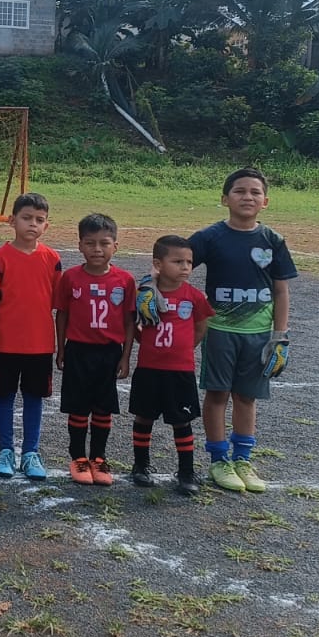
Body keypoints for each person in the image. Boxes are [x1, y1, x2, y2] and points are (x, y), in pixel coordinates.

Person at [187, 168, 297, 494]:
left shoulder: (273, 241)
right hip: (220, 331)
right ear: (225, 199)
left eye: (254, 192)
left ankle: (243, 460)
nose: (247, 197)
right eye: (239, 191)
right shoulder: (210, 237)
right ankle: (219, 460)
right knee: (217, 394)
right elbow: (175, 261)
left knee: (247, 397)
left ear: (265, 201)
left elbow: (281, 291)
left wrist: (279, 336)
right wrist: (150, 283)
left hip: (258, 335)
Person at [54, 213, 136, 485]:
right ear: (80, 246)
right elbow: (62, 314)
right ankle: (78, 457)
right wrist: (61, 348)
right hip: (78, 351)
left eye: (104, 243)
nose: (97, 249)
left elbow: (129, 321)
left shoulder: (125, 280)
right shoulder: (71, 277)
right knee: (78, 408)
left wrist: (125, 356)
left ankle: (98, 458)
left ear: (115, 246)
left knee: (103, 408)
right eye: (90, 243)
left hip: (109, 353)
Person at [128, 236, 214, 496]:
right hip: (149, 368)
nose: (185, 267)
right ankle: (140, 466)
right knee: (144, 417)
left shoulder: (194, 296)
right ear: (158, 264)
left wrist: (185, 348)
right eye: (177, 262)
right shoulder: (145, 295)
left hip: (180, 371)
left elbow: (201, 327)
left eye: (189, 262)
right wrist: (146, 342)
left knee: (182, 421)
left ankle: (186, 472)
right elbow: (135, 326)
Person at [0, 192, 61, 481]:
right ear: (12, 220)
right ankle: (6, 451)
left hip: (40, 344)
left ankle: (30, 452)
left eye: (39, 220)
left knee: (33, 398)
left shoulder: (52, 259)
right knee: (4, 395)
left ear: (46, 225)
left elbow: (56, 303)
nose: (33, 224)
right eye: (26, 218)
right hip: (6, 342)